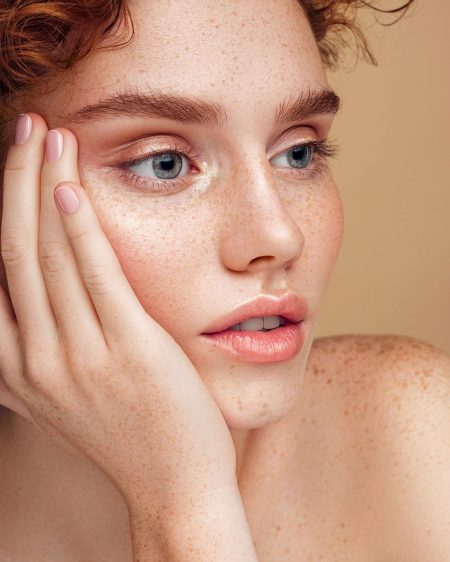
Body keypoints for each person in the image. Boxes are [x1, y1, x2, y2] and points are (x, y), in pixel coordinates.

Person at [0, 0, 449, 560]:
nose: (279, 236)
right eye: (163, 162)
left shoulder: (410, 435)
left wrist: (184, 503)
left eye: (298, 152)